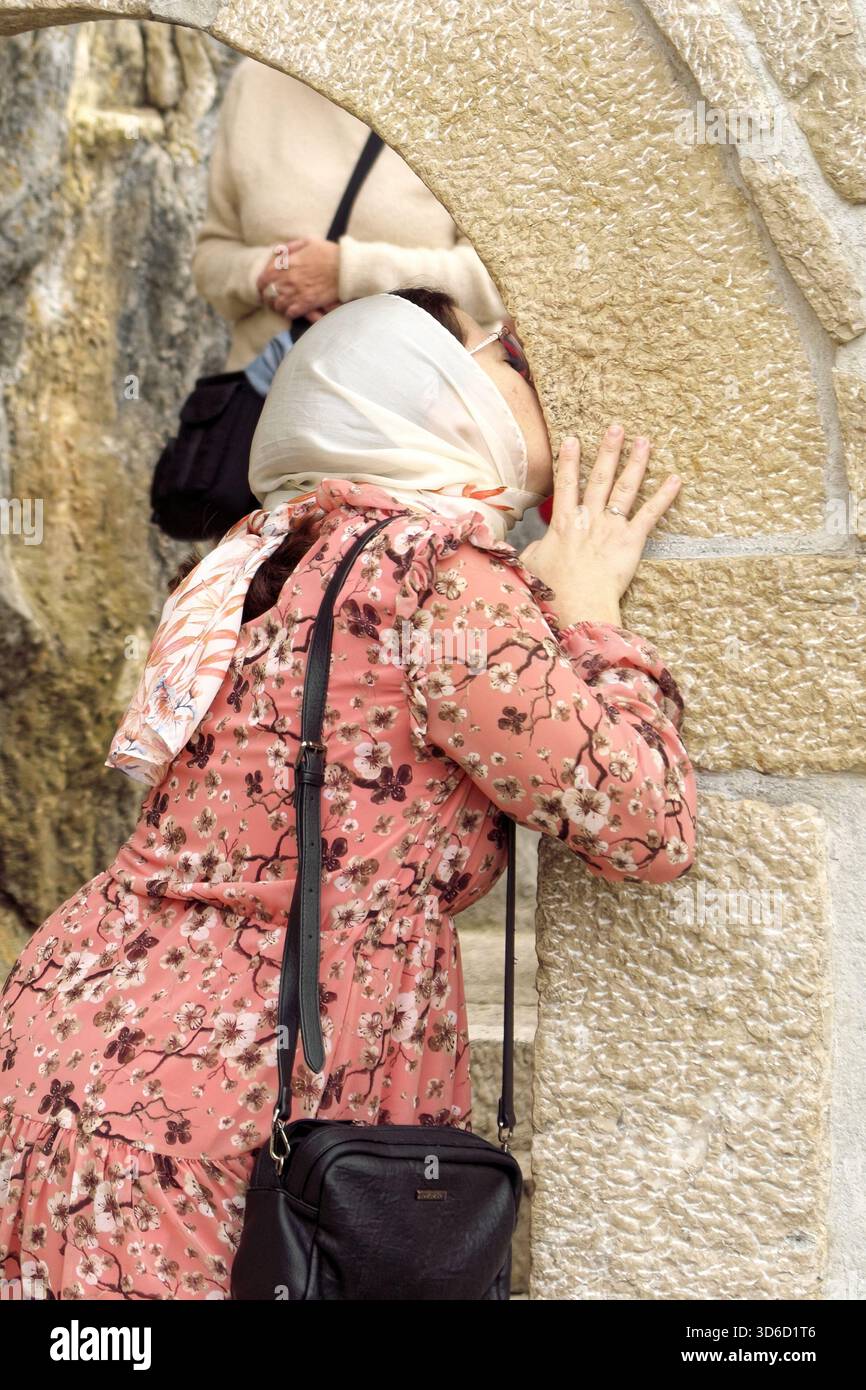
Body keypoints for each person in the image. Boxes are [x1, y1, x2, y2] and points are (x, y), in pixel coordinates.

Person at [0, 288, 696, 1300]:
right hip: (227, 1117)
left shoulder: (272, 555)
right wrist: (589, 616)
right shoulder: (441, 577)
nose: (525, 365)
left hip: (71, 1048)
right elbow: (649, 822)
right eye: (494, 361)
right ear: (430, 402)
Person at [191, 59, 508, 374]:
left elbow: (501, 282)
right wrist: (273, 274)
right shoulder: (256, 79)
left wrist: (346, 273)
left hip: (423, 400)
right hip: (267, 401)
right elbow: (211, 260)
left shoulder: (466, 99)